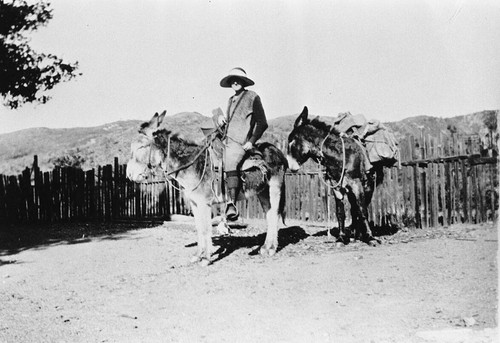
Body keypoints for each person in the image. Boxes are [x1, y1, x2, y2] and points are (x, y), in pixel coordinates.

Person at [216, 67, 268, 221]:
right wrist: (221, 118)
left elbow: (262, 123)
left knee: (230, 160)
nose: (235, 82)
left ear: (244, 82)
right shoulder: (230, 100)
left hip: (240, 143)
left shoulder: (253, 97)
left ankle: (231, 204)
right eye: (232, 80)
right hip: (227, 140)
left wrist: (251, 141)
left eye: (238, 79)